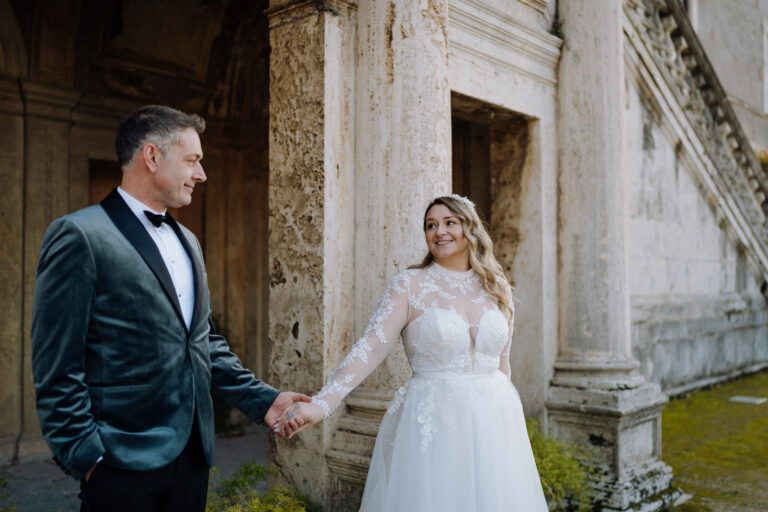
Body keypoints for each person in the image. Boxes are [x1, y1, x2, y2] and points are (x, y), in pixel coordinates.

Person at [31, 105, 309, 512]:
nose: (201, 175)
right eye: (193, 160)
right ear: (152, 156)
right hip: (118, 462)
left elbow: (204, 344)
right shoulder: (80, 235)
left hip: (193, 460)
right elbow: (55, 363)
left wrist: (263, 400)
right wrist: (85, 456)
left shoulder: (189, 241)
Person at [277, 195, 548, 511]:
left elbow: (503, 365)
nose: (439, 231)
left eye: (450, 222)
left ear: (470, 228)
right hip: (435, 420)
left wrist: (505, 417)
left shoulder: (495, 285)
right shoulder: (410, 284)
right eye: (431, 225)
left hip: (496, 421)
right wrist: (322, 405)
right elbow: (370, 348)